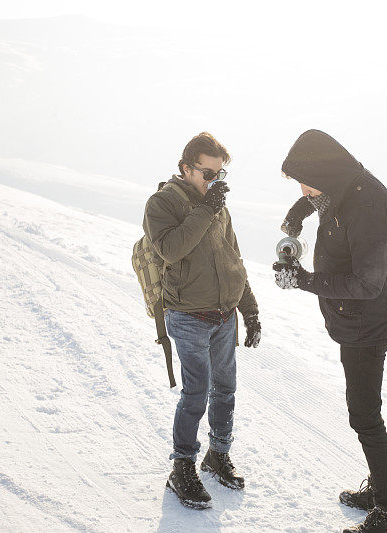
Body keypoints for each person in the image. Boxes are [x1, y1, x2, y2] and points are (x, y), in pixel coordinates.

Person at [273, 129, 387, 533]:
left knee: (365, 416)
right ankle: (381, 492)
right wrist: (300, 210)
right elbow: (329, 198)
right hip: (352, 323)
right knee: (362, 415)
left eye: (307, 184)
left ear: (325, 174)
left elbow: (367, 283)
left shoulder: (368, 206)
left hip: (367, 327)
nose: (304, 189)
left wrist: (304, 280)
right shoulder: (343, 187)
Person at [143, 132, 261, 510]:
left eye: (219, 175)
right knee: (197, 390)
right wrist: (207, 208)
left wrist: (250, 308)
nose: (214, 182)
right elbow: (170, 249)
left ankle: (217, 455)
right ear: (186, 168)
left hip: (224, 314)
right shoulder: (162, 203)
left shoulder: (217, 206)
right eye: (207, 173)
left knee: (225, 387)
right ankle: (182, 467)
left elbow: (233, 260)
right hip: (188, 315)